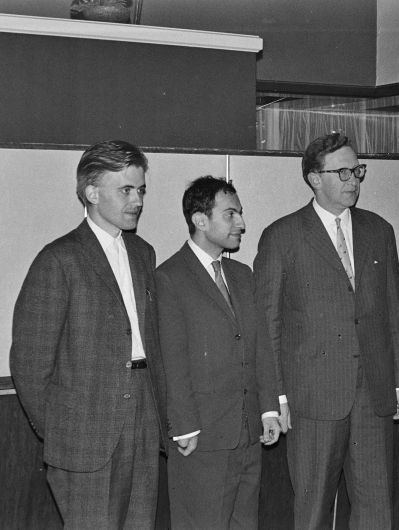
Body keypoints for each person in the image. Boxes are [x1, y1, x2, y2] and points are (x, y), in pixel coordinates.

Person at [253, 132, 399, 529]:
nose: (353, 180)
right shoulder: (282, 236)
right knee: (312, 510)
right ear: (313, 178)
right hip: (312, 398)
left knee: (377, 507)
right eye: (341, 172)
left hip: (374, 393)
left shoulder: (380, 231)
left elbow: (394, 312)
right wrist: (277, 397)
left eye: (357, 170)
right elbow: (267, 325)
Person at [10, 140, 166, 528]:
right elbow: (30, 363)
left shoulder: (143, 253)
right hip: (83, 436)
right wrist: (63, 433)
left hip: (143, 420)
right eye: (126, 190)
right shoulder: (59, 259)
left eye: (141, 189)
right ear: (92, 193)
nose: (137, 200)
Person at [156, 176, 282, 528]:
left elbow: (260, 346)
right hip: (200, 440)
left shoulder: (242, 275)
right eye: (230, 214)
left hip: (247, 434)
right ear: (200, 220)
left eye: (240, 213)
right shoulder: (169, 277)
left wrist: (269, 409)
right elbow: (172, 359)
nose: (241, 223)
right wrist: (183, 428)